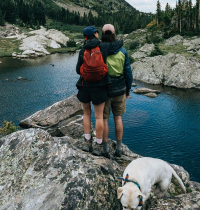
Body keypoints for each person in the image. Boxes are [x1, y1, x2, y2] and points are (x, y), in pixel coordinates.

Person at [76, 26, 118, 156]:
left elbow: (78, 70)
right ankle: (98, 145)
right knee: (99, 117)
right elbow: (117, 45)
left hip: (85, 86)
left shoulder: (83, 49)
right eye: (97, 32)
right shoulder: (103, 47)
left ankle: (87, 142)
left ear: (85, 37)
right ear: (95, 34)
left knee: (86, 114)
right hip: (100, 87)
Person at [101, 24, 133, 158]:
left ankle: (105, 150)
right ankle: (119, 149)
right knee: (118, 118)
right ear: (114, 33)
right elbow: (128, 72)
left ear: (102, 33)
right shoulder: (123, 51)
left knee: (104, 120)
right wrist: (128, 89)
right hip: (120, 89)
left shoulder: (100, 49)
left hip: (104, 90)